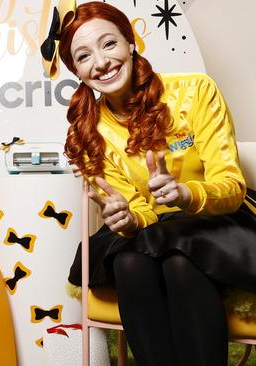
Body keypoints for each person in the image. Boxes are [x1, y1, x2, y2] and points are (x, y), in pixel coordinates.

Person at [42, 1, 256, 365]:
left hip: (220, 221)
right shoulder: (89, 133)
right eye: (84, 56)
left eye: (109, 44)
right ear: (76, 70)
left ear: (130, 41)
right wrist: (128, 217)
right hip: (151, 232)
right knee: (129, 262)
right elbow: (136, 209)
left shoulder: (195, 92)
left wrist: (186, 194)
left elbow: (231, 187)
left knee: (178, 261)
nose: (102, 62)